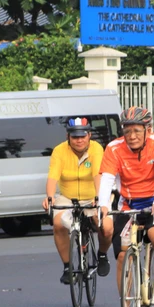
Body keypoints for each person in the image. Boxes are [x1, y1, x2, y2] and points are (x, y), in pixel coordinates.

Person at [97, 107, 154, 307]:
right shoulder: (114, 148)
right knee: (123, 254)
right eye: (127, 131)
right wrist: (103, 205)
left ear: (147, 130)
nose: (131, 136)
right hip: (128, 205)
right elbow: (106, 180)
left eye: (136, 131)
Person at [43, 117, 112, 285]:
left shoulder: (96, 149)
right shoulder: (59, 151)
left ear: (89, 135)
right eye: (75, 137)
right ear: (68, 137)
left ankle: (102, 254)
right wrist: (50, 197)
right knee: (58, 224)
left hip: (93, 196)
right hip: (68, 197)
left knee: (106, 227)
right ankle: (68, 267)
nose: (79, 140)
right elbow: (53, 176)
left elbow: (97, 174)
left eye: (83, 136)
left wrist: (100, 199)